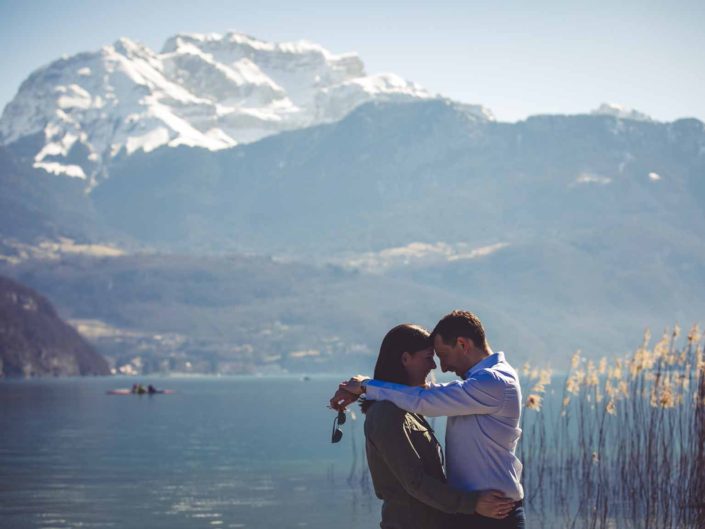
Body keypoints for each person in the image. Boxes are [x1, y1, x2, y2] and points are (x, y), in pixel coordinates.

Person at [331, 311, 525, 529]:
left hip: (494, 513)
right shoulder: (392, 411)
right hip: (475, 512)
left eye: (441, 355)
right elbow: (426, 395)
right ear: (405, 359)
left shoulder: (493, 381)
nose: (440, 367)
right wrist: (365, 388)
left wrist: (366, 386)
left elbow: (425, 399)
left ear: (462, 344)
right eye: (431, 358)